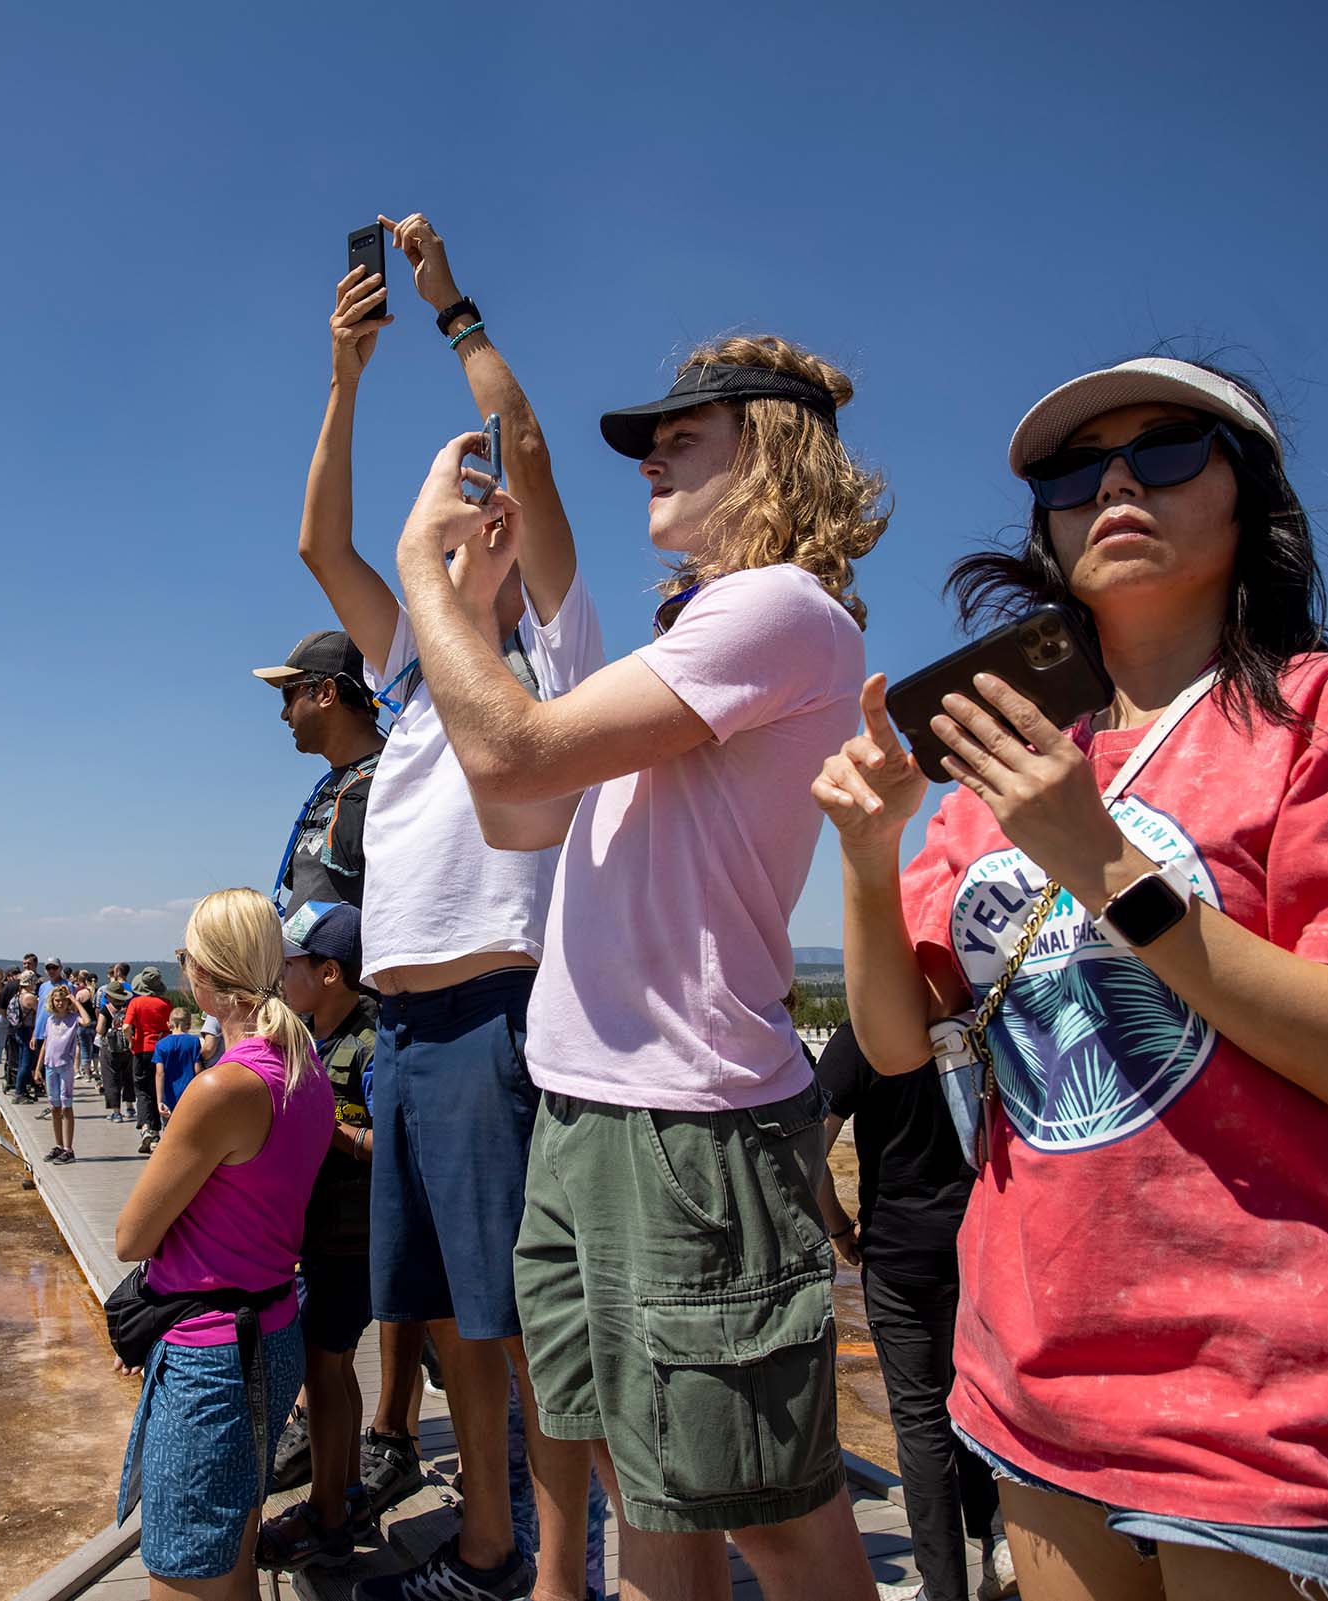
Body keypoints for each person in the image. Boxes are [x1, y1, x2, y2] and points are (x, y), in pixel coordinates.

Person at [817, 356, 1328, 1599]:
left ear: (1251, 497)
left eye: (1172, 450)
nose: (1119, 482)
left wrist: (1101, 859)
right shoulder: (1017, 759)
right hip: (1035, 1375)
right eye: (1077, 471)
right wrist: (868, 867)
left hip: (1277, 1401)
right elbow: (896, 1036)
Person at [402, 331, 885, 1600]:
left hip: (688, 1120)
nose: (653, 459)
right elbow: (522, 810)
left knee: (770, 1510)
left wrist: (426, 585)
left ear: (772, 451)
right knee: (640, 1473)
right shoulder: (704, 628)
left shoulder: (776, 607)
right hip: (596, 1106)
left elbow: (509, 761)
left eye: (686, 436)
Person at [298, 210, 601, 1601]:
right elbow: (321, 544)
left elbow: (526, 452)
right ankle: (487, 1546)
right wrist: (346, 374)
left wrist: (452, 310)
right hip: (406, 1041)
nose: (484, 522)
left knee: (529, 1319)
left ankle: (558, 1566)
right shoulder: (413, 677)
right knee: (450, 1321)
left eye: (497, 524)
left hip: (494, 1018)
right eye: (471, 521)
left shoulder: (549, 651)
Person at [113, 888, 335, 1599]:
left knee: (185, 1571)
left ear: (205, 973)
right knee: (231, 1561)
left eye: (186, 958)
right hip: (270, 1330)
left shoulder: (224, 1087)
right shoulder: (305, 1068)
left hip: (213, 1359)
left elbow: (130, 1235)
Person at [815, 1026, 1014, 1601]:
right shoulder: (978, 1013)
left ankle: (942, 1589)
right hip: (983, 1243)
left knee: (920, 1421)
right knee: (984, 1403)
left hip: (901, 1253)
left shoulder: (862, 1034)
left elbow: (808, 1150)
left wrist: (837, 1227)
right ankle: (1001, 1546)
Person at [258, 900, 382, 1569]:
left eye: (292, 962)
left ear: (329, 971)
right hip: (322, 1240)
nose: (282, 973)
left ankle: (327, 1513)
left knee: (321, 1367)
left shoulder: (371, 1043)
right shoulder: (311, 1035)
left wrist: (331, 1130)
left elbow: (398, 1144)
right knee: (332, 1368)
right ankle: (349, 1487)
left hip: (352, 1244)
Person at [255, 631, 384, 913]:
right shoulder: (328, 786)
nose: (284, 714)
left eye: (288, 694)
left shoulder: (395, 781)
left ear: (327, 693)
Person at [34, 982, 86, 1161]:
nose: (60, 1004)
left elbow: (86, 1021)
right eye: (57, 1001)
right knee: (54, 1107)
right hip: (50, 1066)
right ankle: (58, 1145)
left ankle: (68, 1148)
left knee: (66, 1106)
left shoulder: (73, 1019)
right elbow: (46, 1044)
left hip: (65, 1066)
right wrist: (38, 1067)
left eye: (63, 1001)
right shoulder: (50, 1020)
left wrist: (75, 1001)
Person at [126, 966, 173, 1153]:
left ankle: (146, 1128)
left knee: (142, 1090)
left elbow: (126, 1026)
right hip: (160, 1049)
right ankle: (156, 1131)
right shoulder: (166, 1004)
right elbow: (170, 1026)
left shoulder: (136, 1003)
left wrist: (131, 1041)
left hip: (140, 1049)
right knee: (157, 1090)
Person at [97, 964, 137, 1123]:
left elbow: (100, 1029)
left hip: (111, 1049)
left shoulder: (106, 1009)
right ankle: (130, 1107)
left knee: (111, 1079)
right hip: (127, 1047)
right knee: (128, 1077)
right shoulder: (129, 1008)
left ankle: (116, 1112)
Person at [155, 1008, 205, 1120]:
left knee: (169, 1129)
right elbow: (197, 1070)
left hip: (169, 1096)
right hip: (189, 1094)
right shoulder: (194, 1042)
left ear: (168, 1024)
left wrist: (159, 1101)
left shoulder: (161, 1045)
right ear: (189, 1025)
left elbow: (159, 1073)